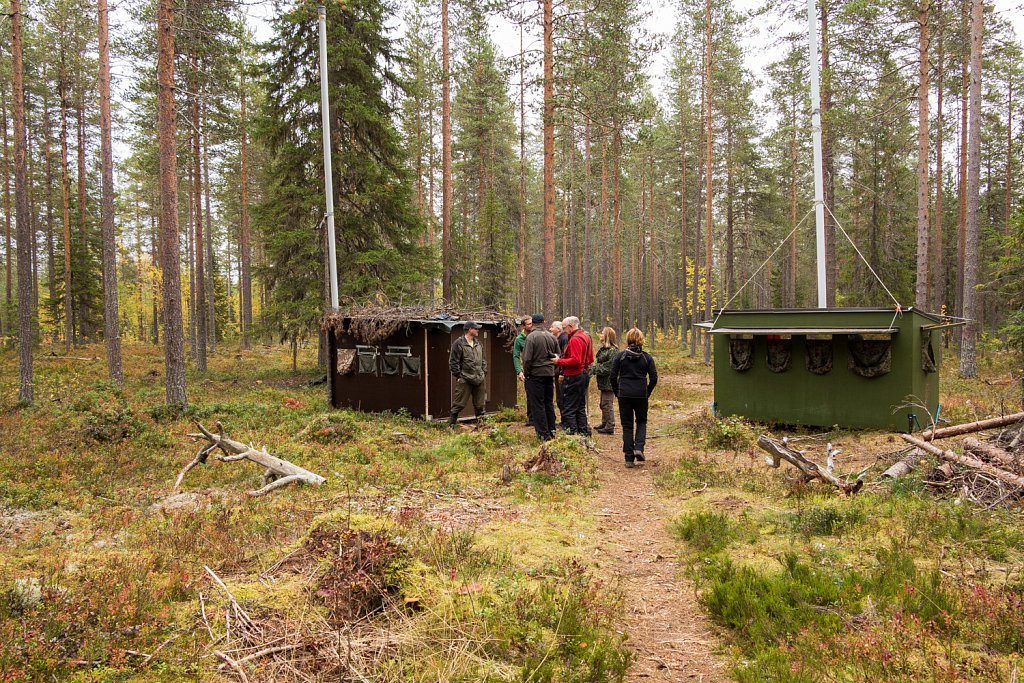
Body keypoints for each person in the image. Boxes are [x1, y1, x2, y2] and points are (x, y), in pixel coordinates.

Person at [610, 328, 657, 468]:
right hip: (641, 394)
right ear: (641, 339)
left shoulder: (620, 356)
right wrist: (647, 391)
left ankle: (629, 458)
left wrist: (617, 392)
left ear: (628, 339)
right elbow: (654, 378)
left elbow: (612, 376)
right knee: (641, 421)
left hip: (624, 394)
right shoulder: (647, 357)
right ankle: (639, 448)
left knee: (627, 425)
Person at [521, 313, 560, 440]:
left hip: (535, 375)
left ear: (533, 323)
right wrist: (553, 370)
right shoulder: (552, 337)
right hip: (549, 374)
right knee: (548, 403)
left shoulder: (531, 337)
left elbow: (527, 359)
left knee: (537, 404)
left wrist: (527, 373)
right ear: (544, 322)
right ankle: (552, 430)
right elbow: (558, 356)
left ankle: (543, 434)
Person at [555, 316, 594, 435]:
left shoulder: (575, 340)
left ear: (571, 327)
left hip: (574, 376)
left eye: (564, 327)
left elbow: (575, 360)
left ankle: (571, 434)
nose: (563, 330)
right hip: (582, 374)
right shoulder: (586, 337)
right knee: (580, 406)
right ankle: (583, 433)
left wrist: (558, 361)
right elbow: (590, 358)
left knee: (568, 408)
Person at [448, 321, 487, 425]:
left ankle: (481, 426)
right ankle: (451, 425)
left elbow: (483, 359)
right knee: (459, 404)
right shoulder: (459, 343)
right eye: (476, 328)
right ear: (470, 329)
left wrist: (483, 372)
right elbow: (453, 362)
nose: (478, 330)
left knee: (480, 405)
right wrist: (459, 376)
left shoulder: (478, 343)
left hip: (479, 378)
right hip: (465, 378)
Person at [591, 327, 619, 434]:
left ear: (607, 336)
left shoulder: (613, 351)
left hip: (610, 383)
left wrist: (594, 368)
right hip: (603, 382)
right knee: (603, 404)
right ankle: (605, 422)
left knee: (607, 404)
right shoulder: (604, 349)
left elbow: (608, 368)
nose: (600, 335)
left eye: (602, 333)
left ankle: (610, 426)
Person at [512, 316, 534, 426]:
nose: (531, 325)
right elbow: (516, 356)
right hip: (528, 371)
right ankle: (531, 418)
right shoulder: (519, 339)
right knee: (530, 395)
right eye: (529, 324)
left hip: (540, 369)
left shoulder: (536, 335)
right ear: (523, 326)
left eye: (532, 323)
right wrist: (519, 371)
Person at [549, 320, 568, 430]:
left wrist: (561, 372)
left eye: (552, 327)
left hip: (562, 372)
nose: (550, 329)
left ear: (558, 329)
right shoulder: (559, 338)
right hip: (559, 371)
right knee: (560, 397)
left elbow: (563, 356)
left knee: (562, 397)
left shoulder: (563, 338)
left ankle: (565, 421)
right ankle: (563, 420)